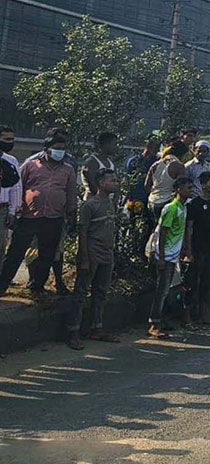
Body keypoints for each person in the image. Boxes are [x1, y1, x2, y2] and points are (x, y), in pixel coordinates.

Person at [0, 133, 77, 297]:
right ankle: (2, 285)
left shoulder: (68, 170)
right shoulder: (31, 165)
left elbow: (71, 193)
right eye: (57, 148)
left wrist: (71, 213)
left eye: (63, 149)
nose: (60, 152)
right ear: (47, 150)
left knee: (47, 254)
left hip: (54, 217)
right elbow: (17, 186)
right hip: (29, 216)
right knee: (15, 252)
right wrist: (15, 210)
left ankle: (37, 286)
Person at [66, 168, 120, 349]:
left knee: (101, 292)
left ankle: (97, 328)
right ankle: (73, 332)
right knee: (81, 293)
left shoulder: (111, 203)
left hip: (107, 254)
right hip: (92, 253)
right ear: (101, 183)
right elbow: (82, 232)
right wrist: (84, 258)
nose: (115, 183)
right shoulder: (90, 205)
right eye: (112, 180)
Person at [147, 176, 192, 339]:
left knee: (168, 290)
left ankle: (162, 320)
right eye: (188, 188)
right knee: (162, 290)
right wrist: (160, 256)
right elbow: (162, 233)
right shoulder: (171, 208)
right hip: (165, 254)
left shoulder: (183, 207)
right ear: (178, 189)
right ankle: (155, 323)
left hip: (172, 255)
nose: (190, 190)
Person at [183, 172, 210, 326]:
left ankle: (204, 312)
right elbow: (189, 228)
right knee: (192, 280)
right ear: (204, 185)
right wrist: (189, 250)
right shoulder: (194, 204)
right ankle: (189, 314)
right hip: (197, 247)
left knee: (207, 280)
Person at [0, 125, 22, 266]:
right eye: (6, 139)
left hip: (2, 209)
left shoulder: (11, 161)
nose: (9, 142)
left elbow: (16, 188)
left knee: (1, 247)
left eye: (11, 139)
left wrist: (12, 211)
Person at [81, 132, 117, 199]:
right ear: (106, 144)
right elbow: (92, 186)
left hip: (107, 202)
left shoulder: (111, 163)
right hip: (93, 202)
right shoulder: (91, 162)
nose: (116, 147)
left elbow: (116, 184)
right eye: (114, 144)